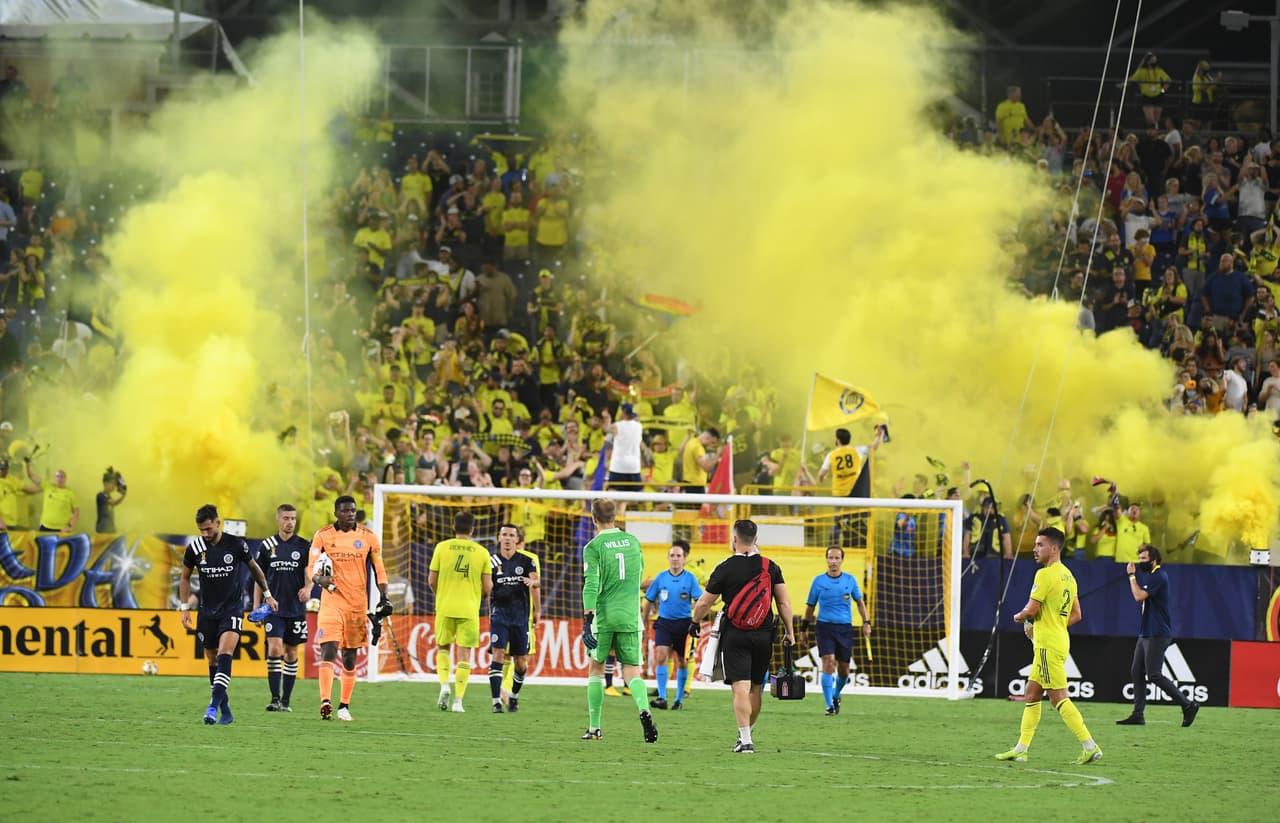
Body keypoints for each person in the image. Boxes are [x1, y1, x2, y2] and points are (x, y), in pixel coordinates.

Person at [995, 527, 1102, 765]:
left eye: (1039, 545)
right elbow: (1077, 614)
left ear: (1054, 548)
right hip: (1059, 639)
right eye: (1035, 545)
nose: (1035, 549)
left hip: (1046, 645)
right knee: (1032, 693)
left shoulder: (1044, 574)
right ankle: (1021, 749)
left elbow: (1031, 609)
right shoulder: (1069, 576)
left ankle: (1090, 746)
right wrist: (1052, 624)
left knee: (1058, 697)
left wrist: (1019, 617)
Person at [691, 519, 796, 754]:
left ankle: (746, 739)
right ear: (756, 540)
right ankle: (746, 734)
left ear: (734, 540)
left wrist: (694, 621)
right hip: (764, 634)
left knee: (740, 686)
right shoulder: (771, 567)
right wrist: (790, 631)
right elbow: (783, 603)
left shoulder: (725, 567)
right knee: (756, 687)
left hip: (735, 634)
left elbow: (705, 602)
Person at [179, 504, 277, 725]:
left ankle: (212, 707)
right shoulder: (195, 548)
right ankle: (225, 708)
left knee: (224, 653)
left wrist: (268, 595)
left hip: (232, 610)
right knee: (212, 658)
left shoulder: (236, 544)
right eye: (201, 530)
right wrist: (184, 608)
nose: (205, 534)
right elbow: (184, 578)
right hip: (206, 612)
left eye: (208, 529)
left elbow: (255, 568)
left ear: (218, 523)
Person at [579, 498, 658, 742]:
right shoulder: (633, 542)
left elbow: (591, 584)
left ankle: (594, 728)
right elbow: (638, 576)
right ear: (615, 517)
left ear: (593, 518)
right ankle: (644, 710)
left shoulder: (593, 547)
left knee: (596, 668)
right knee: (632, 671)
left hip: (604, 616)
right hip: (630, 616)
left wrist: (587, 619)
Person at [310, 496, 389, 722]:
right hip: (331, 602)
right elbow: (311, 567)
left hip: (356, 605)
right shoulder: (323, 535)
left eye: (353, 511)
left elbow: (379, 569)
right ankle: (325, 701)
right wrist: (319, 579)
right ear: (336, 513)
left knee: (349, 657)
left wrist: (384, 597)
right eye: (345, 511)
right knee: (328, 649)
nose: (350, 514)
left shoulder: (368, 537)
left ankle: (344, 706)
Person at [1117, 544, 1199, 727]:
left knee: (1154, 674)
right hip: (1146, 632)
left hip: (1157, 633)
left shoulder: (1159, 576)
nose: (1140, 562)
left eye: (1144, 559)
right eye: (1139, 558)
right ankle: (1138, 714)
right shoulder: (1152, 575)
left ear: (1153, 560)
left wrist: (1131, 576)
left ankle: (1188, 705)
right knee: (1137, 671)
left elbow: (1138, 596)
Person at [429, 510, 493, 713]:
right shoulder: (482, 552)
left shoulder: (442, 547)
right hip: (469, 609)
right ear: (472, 529)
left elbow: (431, 580)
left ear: (453, 527)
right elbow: (488, 587)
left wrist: (441, 594)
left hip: (445, 606)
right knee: (464, 655)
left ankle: (444, 685)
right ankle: (458, 702)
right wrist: (477, 595)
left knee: (443, 647)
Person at [254, 504, 312, 712]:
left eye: (293, 519)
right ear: (278, 520)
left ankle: (286, 701)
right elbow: (258, 578)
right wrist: (256, 607)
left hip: (295, 609)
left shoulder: (304, 545)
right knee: (275, 648)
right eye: (286, 518)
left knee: (291, 652)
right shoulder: (266, 545)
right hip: (273, 609)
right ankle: (274, 699)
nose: (290, 522)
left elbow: (311, 571)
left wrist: (308, 588)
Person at [803, 546, 872, 716]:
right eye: (830, 558)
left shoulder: (850, 580)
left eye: (837, 558)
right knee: (828, 662)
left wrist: (866, 622)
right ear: (826, 559)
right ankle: (829, 706)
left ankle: (835, 695)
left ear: (842, 560)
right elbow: (810, 606)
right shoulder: (818, 581)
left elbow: (860, 602)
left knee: (844, 670)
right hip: (824, 627)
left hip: (844, 629)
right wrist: (803, 630)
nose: (833, 561)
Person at [643, 540, 703, 711]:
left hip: (684, 624)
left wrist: (696, 620)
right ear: (668, 558)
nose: (675, 558)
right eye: (672, 555)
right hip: (664, 623)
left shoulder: (690, 579)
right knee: (661, 656)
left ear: (684, 559)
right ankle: (662, 697)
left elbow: (700, 600)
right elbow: (648, 599)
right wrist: (643, 620)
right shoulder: (661, 578)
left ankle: (678, 699)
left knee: (682, 661)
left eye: (678, 556)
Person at [488, 522, 540, 713]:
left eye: (511, 535)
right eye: (504, 535)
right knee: (498, 654)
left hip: (520, 617)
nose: (508, 538)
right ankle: (496, 701)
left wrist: (532, 582)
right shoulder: (491, 561)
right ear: (499, 538)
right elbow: (486, 587)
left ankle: (514, 696)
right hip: (499, 615)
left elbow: (537, 581)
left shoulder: (527, 561)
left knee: (521, 662)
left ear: (517, 539)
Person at [604, 402, 643, 490]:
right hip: (634, 466)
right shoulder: (639, 426)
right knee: (634, 494)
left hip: (619, 465)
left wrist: (608, 419)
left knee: (615, 492)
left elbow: (606, 429)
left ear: (624, 412)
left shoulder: (617, 426)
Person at [31, 465, 78, 533]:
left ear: (65, 478)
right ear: (54, 478)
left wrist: (69, 526)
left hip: (62, 529)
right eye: (57, 476)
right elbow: (32, 477)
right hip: (45, 527)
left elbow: (76, 512)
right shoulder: (48, 487)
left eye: (62, 476)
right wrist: (27, 464)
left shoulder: (71, 493)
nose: (59, 479)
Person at [95, 467, 126, 533]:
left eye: (115, 484)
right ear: (106, 483)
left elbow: (115, 502)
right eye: (112, 484)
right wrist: (123, 494)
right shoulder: (100, 496)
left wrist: (121, 481)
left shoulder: (109, 497)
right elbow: (114, 502)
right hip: (102, 531)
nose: (114, 486)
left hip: (111, 530)